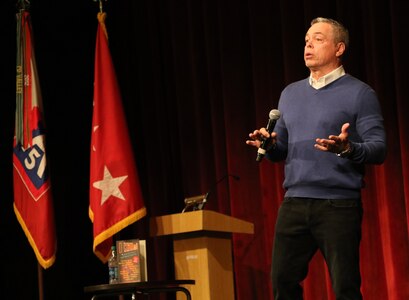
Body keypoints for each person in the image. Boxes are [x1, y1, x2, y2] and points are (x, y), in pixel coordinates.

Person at [246, 17, 387, 300]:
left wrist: (348, 150)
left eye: (318, 38)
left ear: (339, 48)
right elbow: (280, 151)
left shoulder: (360, 93)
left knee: (345, 288)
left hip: (338, 205)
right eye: (307, 39)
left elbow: (378, 148)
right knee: (282, 285)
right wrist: (270, 145)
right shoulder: (290, 93)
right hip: (294, 203)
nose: (308, 43)